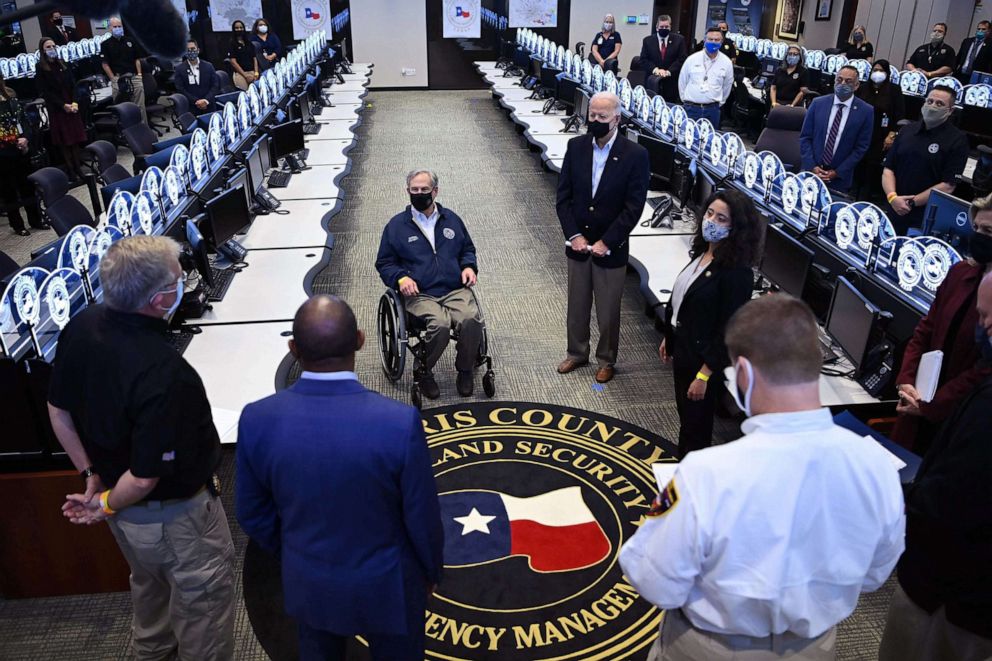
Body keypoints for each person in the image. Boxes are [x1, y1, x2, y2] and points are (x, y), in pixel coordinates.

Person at [622, 293, 906, 661]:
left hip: (710, 649)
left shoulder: (704, 476)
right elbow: (875, 574)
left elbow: (655, 581)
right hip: (814, 648)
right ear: (814, 364)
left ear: (743, 373)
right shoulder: (876, 469)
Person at [48, 235, 234, 660]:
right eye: (178, 278)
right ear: (158, 298)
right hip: (178, 520)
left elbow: (57, 410)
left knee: (151, 600)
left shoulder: (83, 324)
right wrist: (105, 503)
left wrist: (90, 476)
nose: (184, 282)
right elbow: (146, 476)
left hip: (126, 517)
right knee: (202, 617)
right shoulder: (166, 374)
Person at [236, 295, 444, 661]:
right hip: (389, 586)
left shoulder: (256, 419)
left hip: (310, 582)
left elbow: (252, 512)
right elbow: (422, 518)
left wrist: (297, 551)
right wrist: (430, 572)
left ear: (293, 349)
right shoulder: (399, 422)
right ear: (361, 341)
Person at [878, 270, 992, 661]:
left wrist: (896, 498)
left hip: (954, 595)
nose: (985, 329)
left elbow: (956, 497)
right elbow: (926, 329)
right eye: (982, 317)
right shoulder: (960, 275)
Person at [658, 190, 760, 458]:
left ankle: (690, 481)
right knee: (687, 420)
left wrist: (704, 375)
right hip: (684, 348)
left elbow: (729, 330)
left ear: (736, 228)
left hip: (702, 364)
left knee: (696, 428)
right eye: (710, 213)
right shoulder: (705, 252)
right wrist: (670, 334)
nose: (711, 221)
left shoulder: (737, 274)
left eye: (721, 218)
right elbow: (684, 296)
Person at [556, 91, 649, 384]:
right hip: (579, 245)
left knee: (608, 310)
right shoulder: (576, 146)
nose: (595, 120)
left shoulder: (636, 155)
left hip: (612, 247)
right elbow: (564, 198)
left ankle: (606, 359)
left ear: (617, 119)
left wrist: (607, 241)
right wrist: (575, 234)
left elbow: (633, 207)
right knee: (577, 305)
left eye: (602, 117)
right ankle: (576, 352)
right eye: (592, 115)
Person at [891, 194, 992, 454]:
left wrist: (932, 406)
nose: (979, 236)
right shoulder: (959, 273)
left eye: (988, 231)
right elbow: (926, 329)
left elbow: (985, 369)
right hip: (917, 403)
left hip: (958, 419)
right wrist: (906, 381)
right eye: (977, 229)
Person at [375, 170, 482, 398]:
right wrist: (401, 278)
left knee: (471, 319)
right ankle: (423, 371)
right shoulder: (396, 226)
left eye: (424, 189)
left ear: (435, 191)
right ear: (408, 191)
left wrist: (469, 266)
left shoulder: (451, 219)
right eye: (414, 190)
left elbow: (467, 249)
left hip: (454, 288)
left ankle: (465, 369)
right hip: (420, 293)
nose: (419, 194)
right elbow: (384, 262)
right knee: (440, 324)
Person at [883, 85, 968, 234]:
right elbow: (888, 169)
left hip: (923, 216)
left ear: (951, 110)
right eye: (930, 101)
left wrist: (910, 203)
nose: (933, 106)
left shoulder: (957, 140)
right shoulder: (907, 130)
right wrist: (893, 198)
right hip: (894, 206)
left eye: (939, 104)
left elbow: (948, 185)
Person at [799, 64, 874, 193]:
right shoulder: (818, 103)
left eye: (848, 81)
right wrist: (812, 166)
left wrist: (837, 172)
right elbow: (805, 137)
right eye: (839, 80)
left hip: (839, 179)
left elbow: (861, 147)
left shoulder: (866, 111)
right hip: (811, 173)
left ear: (856, 86)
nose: (842, 83)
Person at [0, 73, 46, 236]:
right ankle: (18, 225)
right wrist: (9, 141)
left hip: (21, 148)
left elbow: (24, 121)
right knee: (9, 191)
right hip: (3, 153)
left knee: (27, 186)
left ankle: (35, 220)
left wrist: (25, 137)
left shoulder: (11, 96)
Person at [35, 37, 86, 182]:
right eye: (48, 47)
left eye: (53, 46)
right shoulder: (41, 68)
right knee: (65, 141)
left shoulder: (63, 63)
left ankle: (78, 168)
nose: (52, 49)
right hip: (58, 108)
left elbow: (73, 84)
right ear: (43, 51)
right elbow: (45, 92)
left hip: (71, 105)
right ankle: (70, 170)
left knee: (75, 139)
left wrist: (75, 102)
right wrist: (63, 105)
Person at [854, 59, 904, 199]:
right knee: (858, 163)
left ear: (887, 73)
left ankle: (867, 195)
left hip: (882, 134)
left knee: (872, 166)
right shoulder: (864, 88)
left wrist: (892, 134)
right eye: (875, 70)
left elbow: (899, 115)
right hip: (862, 132)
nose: (878, 73)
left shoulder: (894, 90)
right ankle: (853, 192)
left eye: (881, 70)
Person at [679, 27, 733, 128]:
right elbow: (682, 82)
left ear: (721, 42)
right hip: (691, 108)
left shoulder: (726, 63)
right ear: (704, 41)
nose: (713, 42)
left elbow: (727, 87)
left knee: (710, 141)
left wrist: (718, 102)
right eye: (710, 39)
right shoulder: (692, 59)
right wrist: (686, 100)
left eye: (717, 40)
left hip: (712, 110)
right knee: (688, 140)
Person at [101, 17, 147, 124]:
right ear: (110, 29)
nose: (117, 28)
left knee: (140, 107)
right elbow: (105, 64)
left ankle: (143, 130)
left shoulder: (130, 41)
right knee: (121, 108)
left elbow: (137, 59)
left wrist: (139, 74)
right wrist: (113, 79)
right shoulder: (105, 44)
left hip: (134, 77)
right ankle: (126, 133)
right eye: (115, 26)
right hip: (118, 78)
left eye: (119, 26)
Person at [638, 14, 687, 103]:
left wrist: (668, 71)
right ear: (657, 27)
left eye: (666, 26)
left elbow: (682, 59)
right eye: (661, 26)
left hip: (671, 83)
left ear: (670, 27)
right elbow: (643, 60)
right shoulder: (648, 40)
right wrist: (656, 70)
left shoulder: (679, 40)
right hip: (652, 82)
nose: (664, 28)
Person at [174, 39, 219, 115]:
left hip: (209, 105)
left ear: (198, 50)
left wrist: (206, 100)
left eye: (193, 49)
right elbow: (180, 89)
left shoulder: (209, 66)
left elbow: (215, 85)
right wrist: (197, 102)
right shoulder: (179, 69)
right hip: (191, 108)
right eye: (188, 50)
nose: (191, 51)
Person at [955, 20, 992, 85]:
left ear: (988, 31)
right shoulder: (967, 41)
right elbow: (958, 57)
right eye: (979, 29)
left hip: (976, 77)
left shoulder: (990, 45)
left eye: (983, 29)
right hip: (961, 74)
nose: (980, 31)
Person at [227, 20, 259, 90]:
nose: (239, 29)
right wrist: (245, 75)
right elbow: (233, 62)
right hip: (240, 74)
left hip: (252, 72)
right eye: (237, 28)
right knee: (245, 94)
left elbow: (254, 58)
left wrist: (256, 73)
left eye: (241, 27)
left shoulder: (249, 43)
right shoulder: (232, 43)